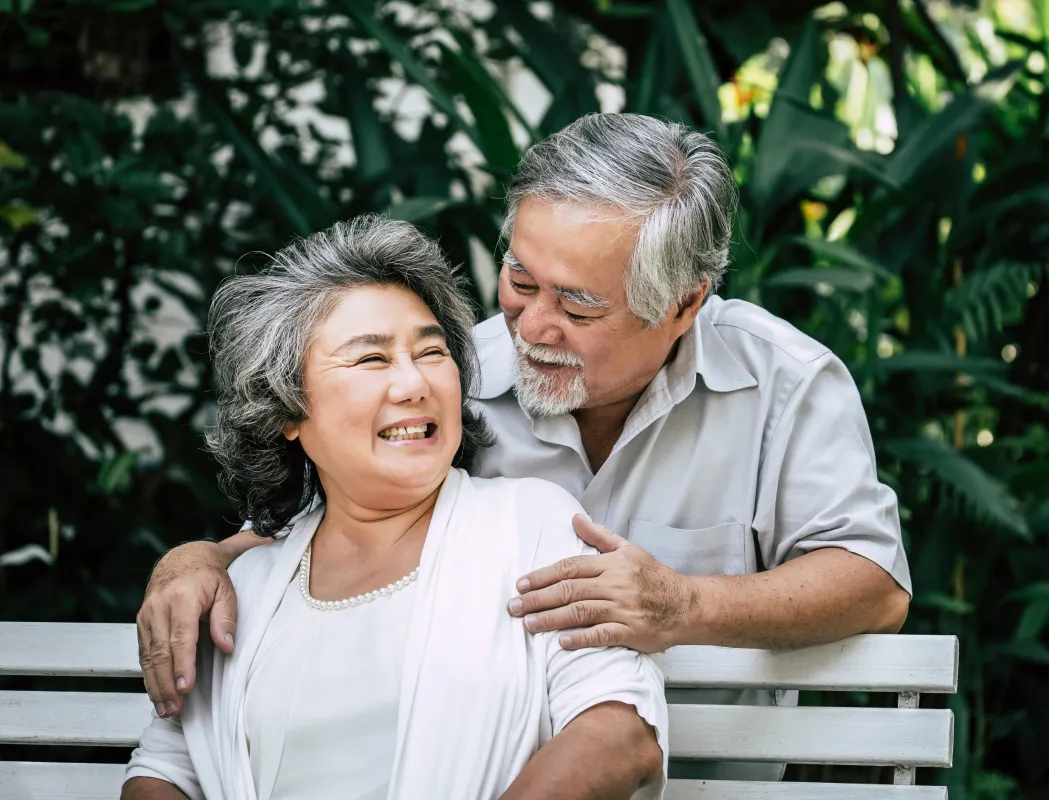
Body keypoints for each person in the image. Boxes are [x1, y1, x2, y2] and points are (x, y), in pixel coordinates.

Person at [137, 113, 912, 781]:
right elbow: (316, 524)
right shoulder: (448, 378)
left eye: (577, 303)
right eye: (519, 277)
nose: (532, 325)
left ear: (682, 305)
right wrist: (202, 558)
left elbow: (875, 585)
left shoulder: (785, 381)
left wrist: (683, 605)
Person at [122, 216, 666, 799]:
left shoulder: (531, 526)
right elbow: (165, 770)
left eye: (432, 352)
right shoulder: (243, 589)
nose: (414, 384)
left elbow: (617, 727)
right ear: (286, 410)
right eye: (371, 360)